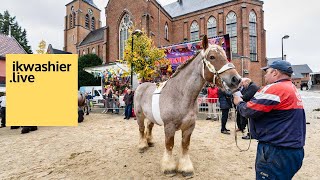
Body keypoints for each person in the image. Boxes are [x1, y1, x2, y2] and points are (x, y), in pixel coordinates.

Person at [233, 60, 306, 179]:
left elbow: (248, 111)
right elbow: (266, 101)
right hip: (292, 150)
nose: (265, 75)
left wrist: (239, 102)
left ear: (275, 73)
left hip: (276, 151)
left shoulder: (274, 89)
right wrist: (251, 83)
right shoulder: (290, 87)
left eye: (267, 72)